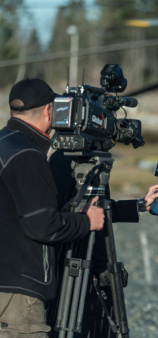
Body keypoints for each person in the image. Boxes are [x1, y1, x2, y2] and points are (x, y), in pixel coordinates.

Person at [0, 78, 104, 337]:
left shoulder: (5, 144)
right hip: (19, 294)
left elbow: (15, 212)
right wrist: (86, 221)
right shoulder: (27, 155)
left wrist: (63, 214)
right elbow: (42, 226)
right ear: (49, 110)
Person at [48, 150, 158, 338]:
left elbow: (99, 209)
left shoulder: (73, 157)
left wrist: (139, 204)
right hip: (71, 267)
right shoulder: (71, 159)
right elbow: (63, 215)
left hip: (73, 266)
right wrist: (103, 268)